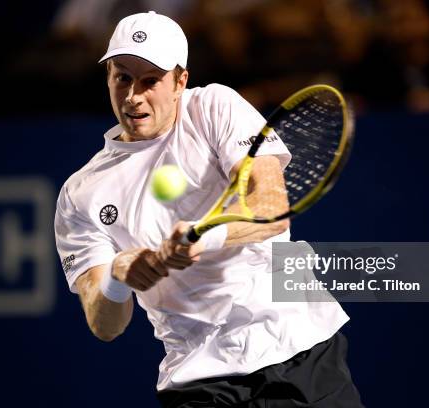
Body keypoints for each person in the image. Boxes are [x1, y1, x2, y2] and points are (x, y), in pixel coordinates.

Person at [54, 11, 363, 408]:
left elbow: (272, 205)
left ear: (180, 81)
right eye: (122, 78)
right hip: (200, 378)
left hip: (299, 344)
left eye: (151, 81)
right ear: (109, 77)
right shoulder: (81, 193)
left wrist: (205, 236)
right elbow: (104, 325)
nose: (134, 96)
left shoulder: (214, 106)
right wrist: (118, 275)